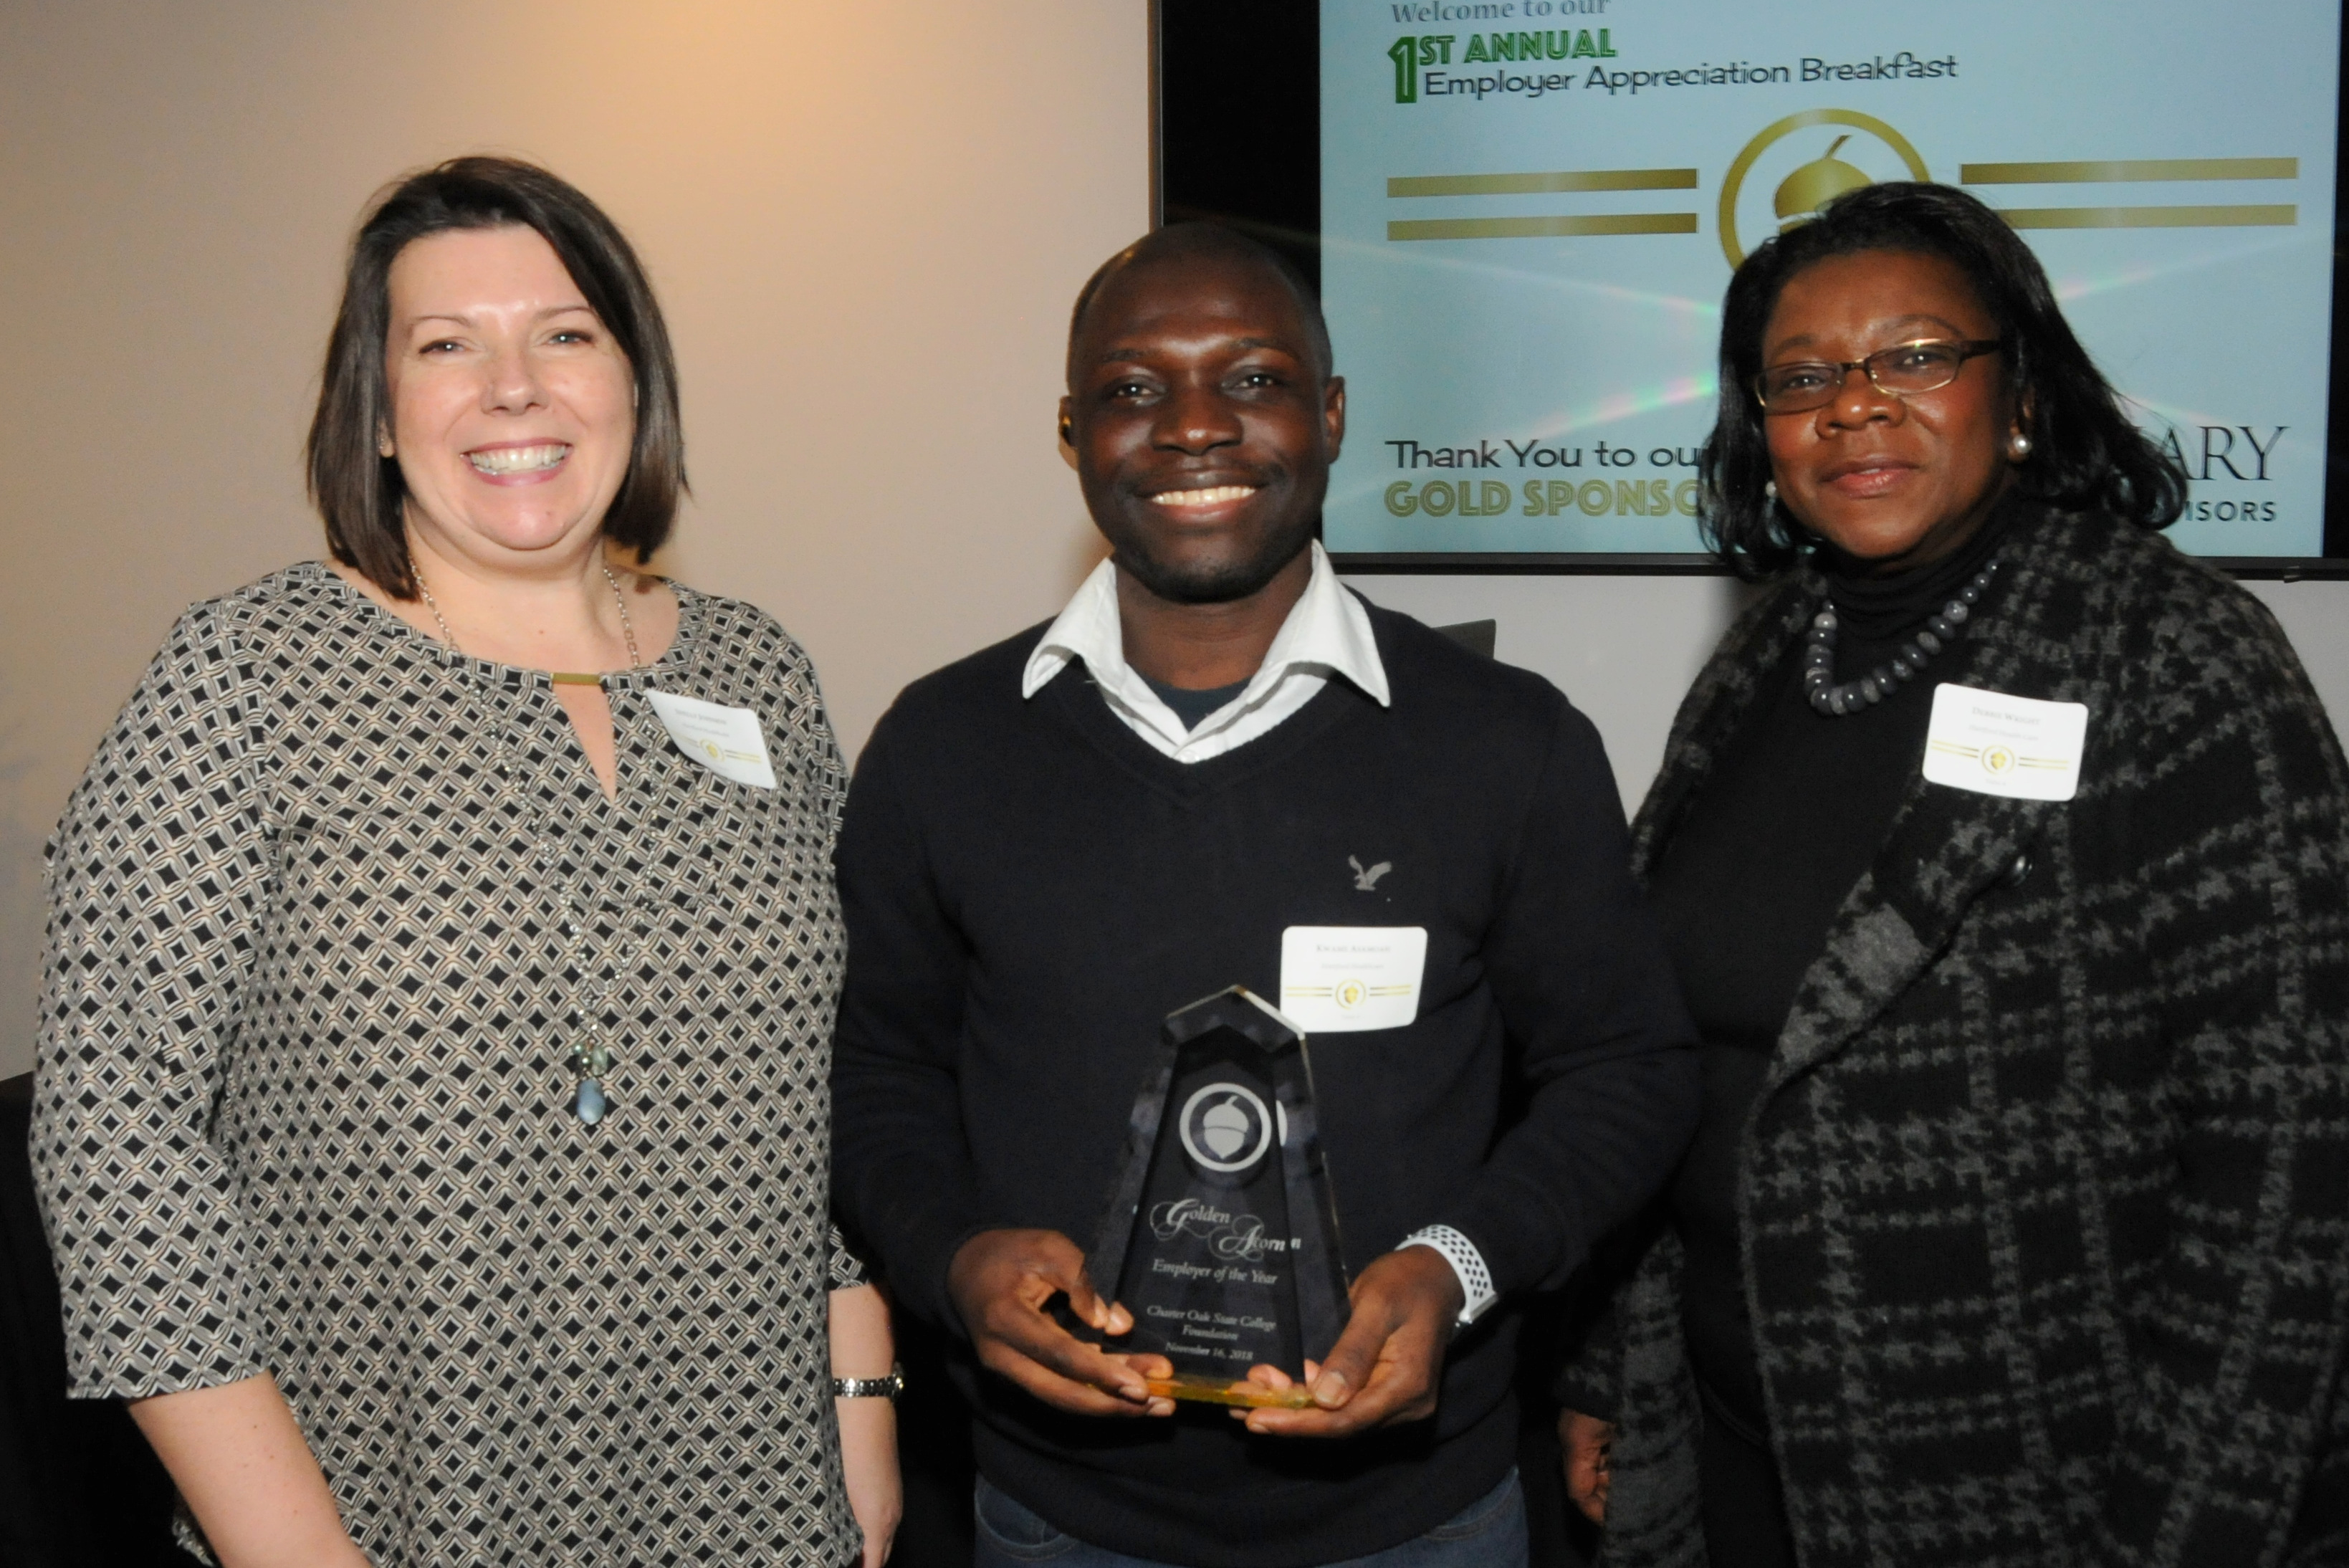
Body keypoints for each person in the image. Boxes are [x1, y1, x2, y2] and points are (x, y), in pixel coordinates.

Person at [32, 156, 899, 1568]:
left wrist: (859, 1377)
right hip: (390, 1502)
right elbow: (114, 1133)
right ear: (377, 410)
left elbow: (820, 1075)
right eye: (447, 346)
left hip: (753, 1492)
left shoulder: (760, 674)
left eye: (564, 334)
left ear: (634, 380)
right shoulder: (251, 671)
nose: (514, 389)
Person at [828, 221, 1700, 1568]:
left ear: (1331, 412)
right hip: (1055, 1520)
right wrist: (950, 1259)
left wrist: (1455, 1269)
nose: (1190, 427)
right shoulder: (943, 747)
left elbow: (1626, 1068)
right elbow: (881, 1067)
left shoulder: (1503, 742)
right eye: (1131, 389)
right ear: (1071, 434)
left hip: (1421, 1523)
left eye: (1250, 378)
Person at [1555, 181, 2349, 1567]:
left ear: (2021, 388)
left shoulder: (2175, 658)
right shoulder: (1760, 661)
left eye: (1915, 356)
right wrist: (1609, 1371)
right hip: (1738, 1436)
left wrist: (2183, 1531)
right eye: (1801, 377)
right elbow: (1687, 1055)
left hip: (2046, 1475)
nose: (1855, 404)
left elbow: (2291, 1164)